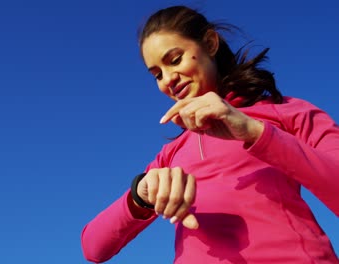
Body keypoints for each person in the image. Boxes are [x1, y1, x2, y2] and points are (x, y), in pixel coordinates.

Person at [81, 5, 339, 264]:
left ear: (210, 43)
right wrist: (141, 194)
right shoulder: (171, 155)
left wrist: (255, 132)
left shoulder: (286, 112)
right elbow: (93, 248)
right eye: (157, 74)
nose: (168, 79)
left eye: (175, 60)